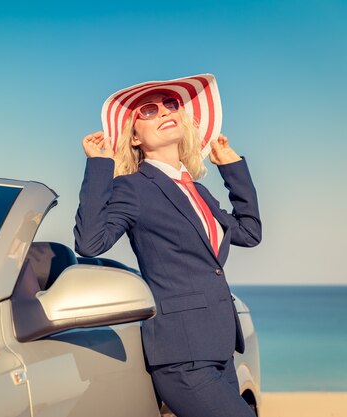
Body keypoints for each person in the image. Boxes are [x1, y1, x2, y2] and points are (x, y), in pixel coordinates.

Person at [73, 74, 261, 417]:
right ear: (133, 137)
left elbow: (249, 232)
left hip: (221, 351)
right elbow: (90, 242)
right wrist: (100, 165)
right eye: (149, 110)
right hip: (182, 358)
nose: (163, 111)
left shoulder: (199, 191)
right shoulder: (132, 188)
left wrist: (231, 167)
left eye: (170, 105)